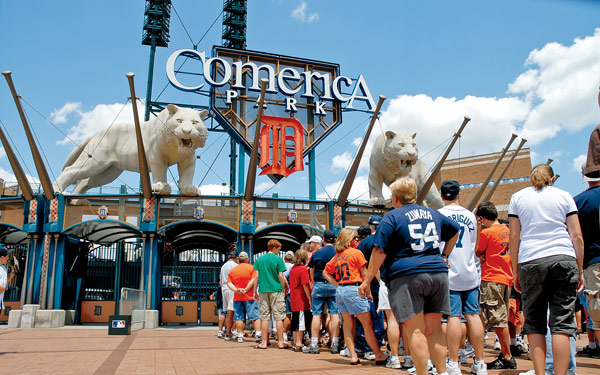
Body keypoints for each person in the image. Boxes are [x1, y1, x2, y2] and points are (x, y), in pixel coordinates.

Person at [360, 176, 460, 375]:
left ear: (396, 198)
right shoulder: (434, 213)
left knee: (415, 330)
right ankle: (442, 372)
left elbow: (379, 251)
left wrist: (367, 280)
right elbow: (455, 230)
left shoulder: (392, 217)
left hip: (407, 276)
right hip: (437, 273)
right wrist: (445, 254)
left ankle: (423, 372)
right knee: (435, 329)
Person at [509, 164, 584, 375]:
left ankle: (540, 373)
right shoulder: (564, 196)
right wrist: (578, 270)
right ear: (551, 178)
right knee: (561, 323)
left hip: (530, 259)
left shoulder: (518, 197)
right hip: (563, 256)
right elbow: (576, 235)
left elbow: (514, 237)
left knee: (535, 322)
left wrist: (515, 270)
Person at [438, 181, 487, 375]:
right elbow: (474, 246)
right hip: (470, 271)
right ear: (459, 195)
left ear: (442, 196)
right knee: (473, 315)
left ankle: (453, 362)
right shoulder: (470, 216)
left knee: (453, 318)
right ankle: (481, 362)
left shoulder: (439, 215)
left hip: (449, 271)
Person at [323, 227, 388, 366]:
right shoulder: (356, 253)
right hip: (354, 289)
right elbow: (365, 275)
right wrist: (369, 293)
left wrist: (337, 284)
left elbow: (325, 272)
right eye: (355, 238)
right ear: (350, 240)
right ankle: (378, 354)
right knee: (367, 325)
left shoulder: (337, 256)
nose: (357, 240)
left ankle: (353, 356)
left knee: (347, 324)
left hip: (341, 290)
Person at [475, 201, 516, 370]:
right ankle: (506, 355)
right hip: (506, 278)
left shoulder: (487, 232)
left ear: (483, 218)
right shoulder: (507, 230)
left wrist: (479, 229)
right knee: (501, 317)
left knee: (497, 320)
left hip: (492, 278)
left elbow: (478, 251)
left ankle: (507, 357)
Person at [574, 162, 600, 357]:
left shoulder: (579, 202)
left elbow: (575, 237)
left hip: (594, 261)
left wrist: (579, 268)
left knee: (598, 312)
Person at [304, 230, 340, 354]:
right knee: (334, 314)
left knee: (316, 314)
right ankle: (335, 343)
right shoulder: (338, 252)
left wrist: (313, 282)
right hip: (334, 284)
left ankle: (314, 344)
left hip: (319, 284)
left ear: (323, 240)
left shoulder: (317, 253)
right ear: (334, 240)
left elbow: (311, 270)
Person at [253, 239, 290, 349]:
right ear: (274, 247)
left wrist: (255, 291)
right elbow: (281, 275)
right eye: (279, 249)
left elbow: (256, 276)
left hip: (263, 290)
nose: (279, 251)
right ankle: (280, 342)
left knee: (264, 317)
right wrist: (283, 288)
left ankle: (264, 342)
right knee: (279, 317)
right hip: (276, 290)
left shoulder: (259, 259)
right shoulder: (278, 259)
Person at [227, 251, 260, 343]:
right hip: (249, 297)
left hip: (238, 297)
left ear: (238, 260)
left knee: (239, 317)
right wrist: (246, 289)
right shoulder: (252, 268)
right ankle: (258, 334)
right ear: (247, 259)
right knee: (255, 316)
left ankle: (240, 335)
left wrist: (237, 290)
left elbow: (229, 283)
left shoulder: (233, 270)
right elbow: (254, 279)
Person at [288, 249, 312, 351]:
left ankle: (295, 341)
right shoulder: (302, 269)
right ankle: (299, 343)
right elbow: (305, 285)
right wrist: (310, 299)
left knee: (295, 319)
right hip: (301, 298)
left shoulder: (293, 268)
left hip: (294, 297)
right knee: (301, 321)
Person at [219, 251, 238, 340]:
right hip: (232, 288)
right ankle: (231, 331)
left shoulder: (223, 266)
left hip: (224, 288)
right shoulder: (235, 265)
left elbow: (221, 280)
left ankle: (227, 330)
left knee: (226, 311)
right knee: (232, 311)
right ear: (236, 257)